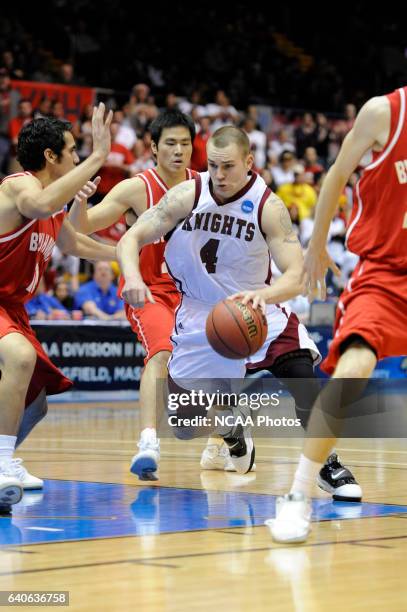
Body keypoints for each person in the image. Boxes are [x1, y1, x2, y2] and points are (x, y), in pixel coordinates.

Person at [117, 126, 360, 491]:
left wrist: (267, 296)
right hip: (200, 316)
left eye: (228, 166)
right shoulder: (189, 193)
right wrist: (133, 277)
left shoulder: (268, 206)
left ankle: (328, 466)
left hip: (256, 307)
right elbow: (130, 237)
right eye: (213, 165)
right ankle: (232, 427)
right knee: (184, 427)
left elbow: (295, 276)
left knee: (301, 378)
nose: (219, 175)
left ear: (249, 162)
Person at [268, 87, 407, 543]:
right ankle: (298, 495)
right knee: (354, 369)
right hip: (385, 274)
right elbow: (336, 175)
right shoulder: (384, 112)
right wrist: (317, 243)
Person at [69, 109, 197, 480]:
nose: (178, 150)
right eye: (170, 143)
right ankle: (148, 442)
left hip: (192, 296)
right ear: (153, 148)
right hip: (148, 290)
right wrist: (80, 202)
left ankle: (226, 440)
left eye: (185, 144)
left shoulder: (204, 187)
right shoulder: (136, 188)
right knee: (161, 352)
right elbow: (84, 226)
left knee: (211, 367)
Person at [0, 103, 115, 512]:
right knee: (19, 355)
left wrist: (128, 252)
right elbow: (41, 204)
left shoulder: (52, 207)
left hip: (12, 308)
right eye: (73, 151)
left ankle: (4, 457)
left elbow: (75, 244)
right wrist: (100, 155)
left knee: (38, 401)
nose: (78, 159)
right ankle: (0, 464)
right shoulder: (19, 187)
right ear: (52, 157)